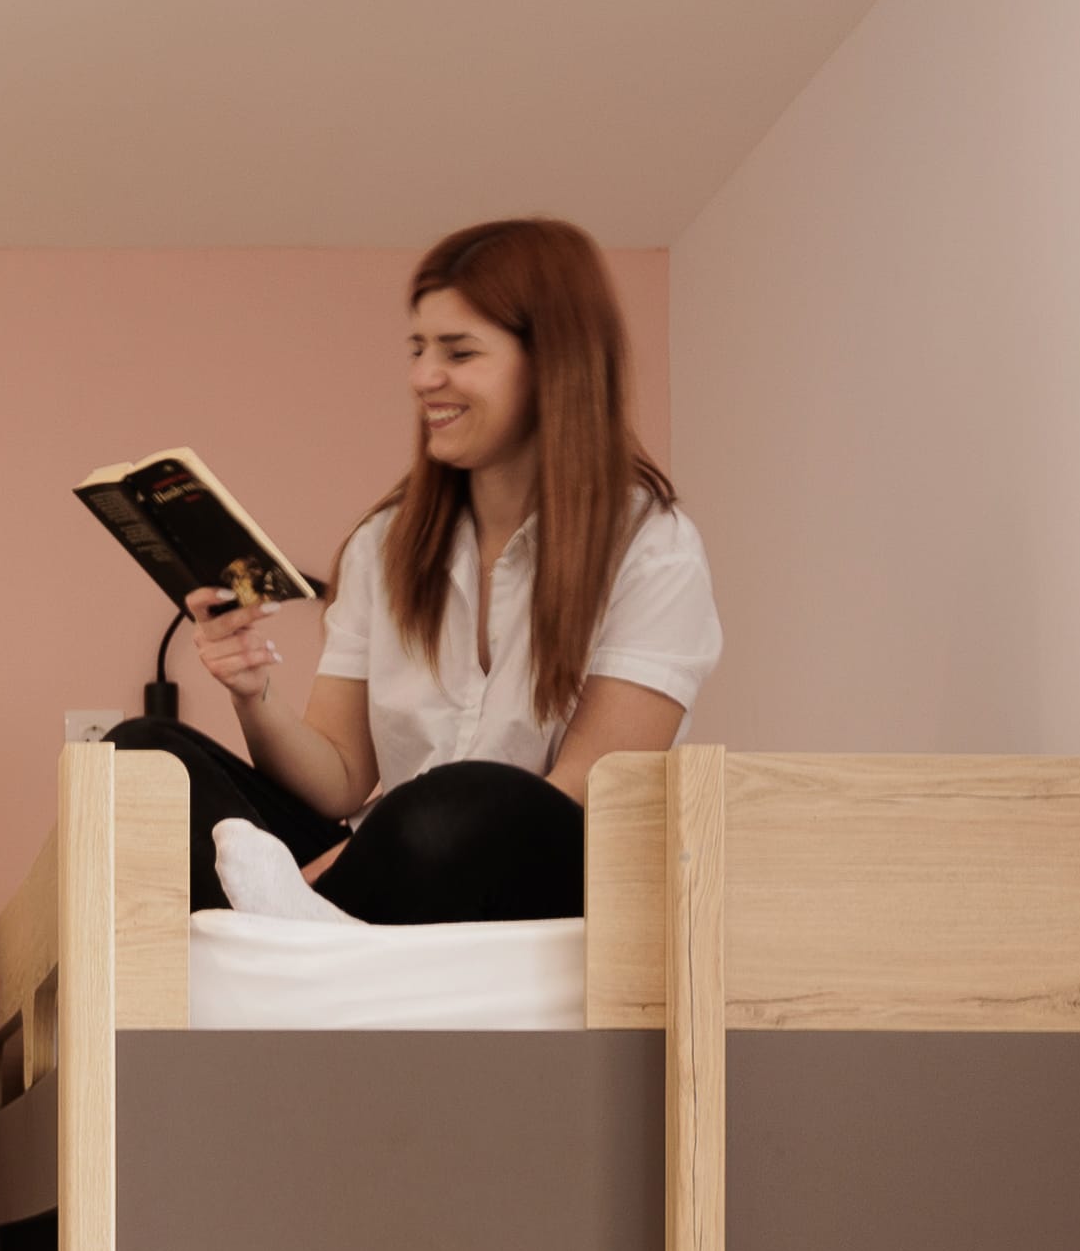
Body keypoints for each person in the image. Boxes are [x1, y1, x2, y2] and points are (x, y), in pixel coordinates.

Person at [113, 213, 721, 922]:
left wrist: (344, 862)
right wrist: (252, 691)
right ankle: (306, 921)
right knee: (140, 756)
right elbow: (340, 781)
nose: (424, 377)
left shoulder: (654, 548)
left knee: (460, 804)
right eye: (419, 349)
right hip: (391, 858)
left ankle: (295, 917)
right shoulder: (385, 546)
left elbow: (588, 788)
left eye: (459, 352)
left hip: (528, 860)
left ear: (553, 363)